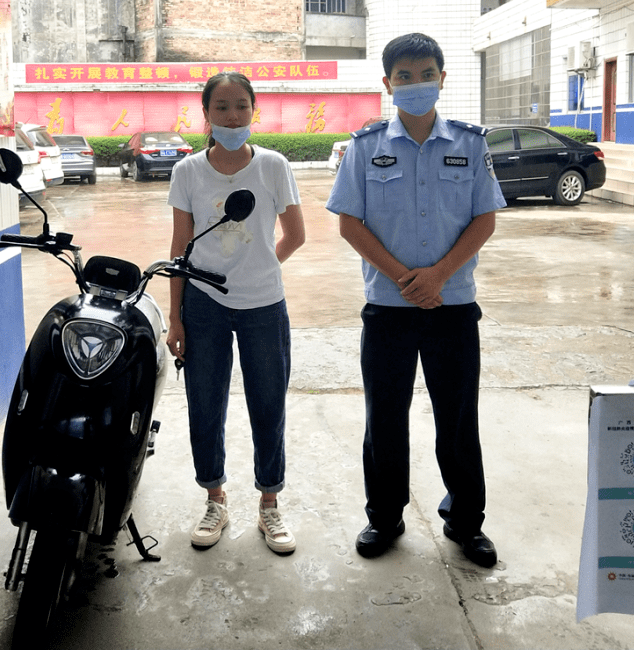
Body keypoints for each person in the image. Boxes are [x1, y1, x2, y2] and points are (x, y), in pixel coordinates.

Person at [325, 33, 506, 567]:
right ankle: (384, 517)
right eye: (403, 76)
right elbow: (349, 224)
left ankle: (466, 522)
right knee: (385, 417)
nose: (415, 84)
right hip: (388, 308)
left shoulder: (472, 145)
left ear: (442, 79)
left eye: (425, 73)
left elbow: (484, 218)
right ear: (387, 84)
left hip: (453, 308)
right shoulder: (365, 146)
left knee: (457, 417)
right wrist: (408, 278)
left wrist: (440, 276)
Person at [166, 71, 306, 555]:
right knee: (206, 405)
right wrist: (176, 315)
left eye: (241, 106)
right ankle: (215, 499)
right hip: (203, 305)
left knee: (268, 405)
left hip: (264, 304)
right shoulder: (187, 172)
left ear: (254, 110)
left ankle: (269, 504)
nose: (231, 116)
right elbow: (180, 246)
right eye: (221, 107)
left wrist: (261, 266)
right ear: (205, 114)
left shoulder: (273, 166)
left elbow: (296, 234)